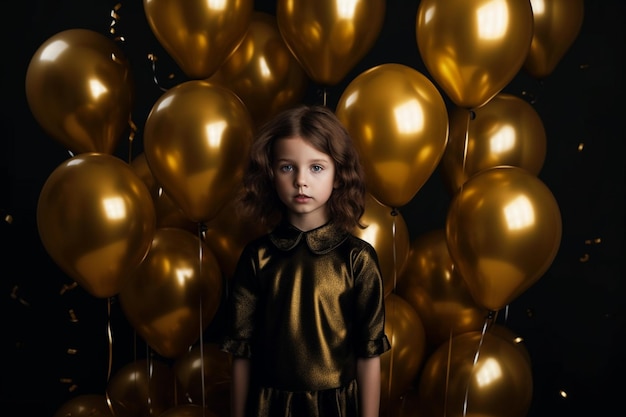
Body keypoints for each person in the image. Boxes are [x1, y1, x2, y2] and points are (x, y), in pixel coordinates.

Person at [220, 104, 391, 417]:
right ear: (270, 172)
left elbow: (369, 355)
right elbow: (241, 353)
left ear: (338, 174)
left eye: (316, 168)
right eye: (287, 167)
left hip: (336, 409)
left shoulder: (358, 260)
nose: (301, 180)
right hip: (268, 407)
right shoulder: (257, 258)